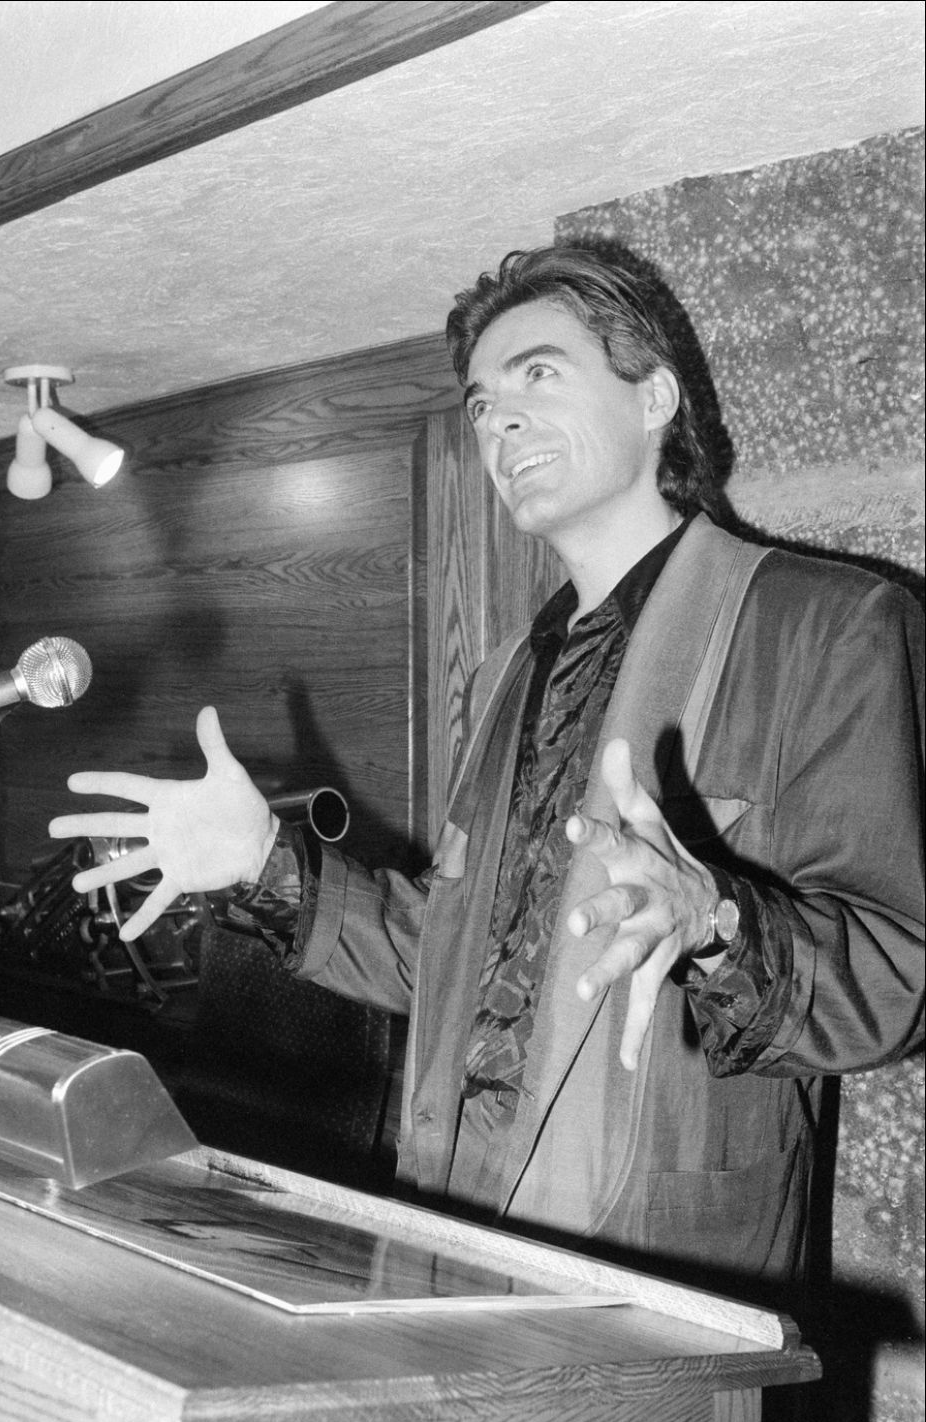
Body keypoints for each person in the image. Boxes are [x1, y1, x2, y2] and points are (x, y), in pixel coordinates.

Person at [50, 240, 924, 1303]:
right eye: (479, 404)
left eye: (537, 375)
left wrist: (716, 919)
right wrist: (265, 862)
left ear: (655, 399)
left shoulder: (826, 624)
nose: (497, 421)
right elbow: (453, 956)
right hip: (457, 1232)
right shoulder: (511, 666)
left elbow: (894, 977)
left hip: (666, 1270)